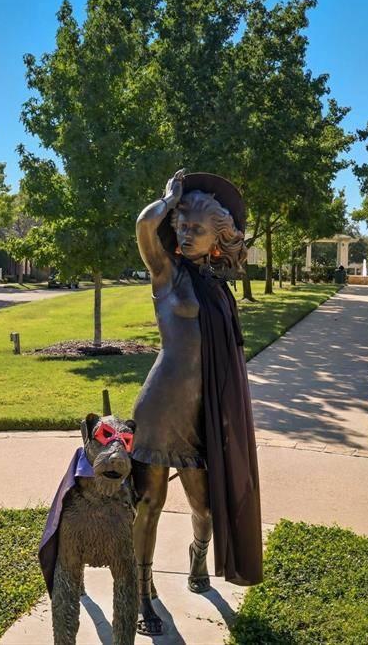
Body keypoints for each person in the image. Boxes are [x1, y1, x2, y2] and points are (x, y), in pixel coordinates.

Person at [131, 169, 263, 635]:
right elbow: (145, 228)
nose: (185, 235)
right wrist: (169, 200)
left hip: (199, 413)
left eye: (197, 229)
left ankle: (198, 558)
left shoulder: (219, 290)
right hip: (159, 407)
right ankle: (142, 591)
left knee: (205, 506)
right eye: (182, 227)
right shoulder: (166, 273)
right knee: (148, 503)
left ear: (218, 238)